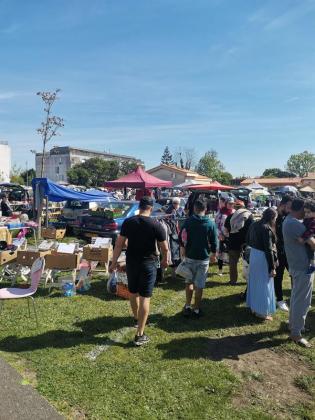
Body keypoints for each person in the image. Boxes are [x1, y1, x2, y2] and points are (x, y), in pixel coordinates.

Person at [109, 197, 169, 346]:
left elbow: (118, 245)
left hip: (132, 263)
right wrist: (165, 260)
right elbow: (165, 247)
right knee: (144, 297)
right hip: (148, 264)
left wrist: (113, 262)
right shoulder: (156, 224)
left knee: (133, 292)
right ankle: (140, 334)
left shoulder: (129, 222)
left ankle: (137, 319)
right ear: (150, 208)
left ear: (140, 207)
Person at [283, 198, 315, 348]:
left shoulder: (289, 220)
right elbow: (313, 243)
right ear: (300, 209)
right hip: (303, 266)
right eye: (306, 210)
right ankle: (296, 333)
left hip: (298, 265)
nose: (307, 213)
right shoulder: (294, 223)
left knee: (297, 297)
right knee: (303, 300)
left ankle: (294, 326)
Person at [179, 199, 217, 318]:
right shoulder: (210, 223)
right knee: (199, 285)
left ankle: (187, 306)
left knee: (189, 282)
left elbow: (181, 236)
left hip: (190, 256)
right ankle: (196, 309)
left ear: (194, 209)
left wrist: (183, 249)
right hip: (203, 258)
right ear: (205, 209)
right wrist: (214, 254)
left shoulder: (188, 221)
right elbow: (214, 241)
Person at [246, 208, 278, 321]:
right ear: (272, 218)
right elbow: (268, 249)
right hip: (262, 257)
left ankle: (254, 308)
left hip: (254, 255)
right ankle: (261, 312)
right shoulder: (266, 228)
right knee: (263, 284)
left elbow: (248, 240)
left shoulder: (254, 224)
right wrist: (272, 267)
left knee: (255, 282)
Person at [224, 200, 254, 285]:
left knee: (233, 263)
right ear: (243, 207)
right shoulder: (249, 216)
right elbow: (252, 230)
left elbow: (226, 231)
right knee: (248, 263)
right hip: (246, 242)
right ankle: (249, 280)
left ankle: (233, 281)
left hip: (233, 242)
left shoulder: (230, 217)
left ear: (235, 208)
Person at [274, 195, 292, 311]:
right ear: (282, 204)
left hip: (290, 251)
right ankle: (279, 300)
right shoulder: (274, 216)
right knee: (278, 276)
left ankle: (295, 297)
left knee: (293, 274)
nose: (290, 209)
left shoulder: (289, 216)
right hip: (278, 252)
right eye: (288, 206)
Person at [215, 197, 234, 276]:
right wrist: (220, 234)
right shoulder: (220, 212)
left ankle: (231, 269)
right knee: (221, 253)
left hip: (232, 235)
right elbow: (216, 225)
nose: (231, 205)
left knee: (231, 253)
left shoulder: (234, 212)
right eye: (229, 203)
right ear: (226, 204)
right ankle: (220, 270)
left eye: (232, 204)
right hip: (222, 235)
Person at [298, 199, 315, 274]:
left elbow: (311, 231)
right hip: (308, 239)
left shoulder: (313, 221)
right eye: (305, 212)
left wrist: (303, 237)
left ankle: (313, 265)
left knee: (310, 251)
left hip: (311, 238)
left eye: (309, 212)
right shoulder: (308, 219)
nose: (306, 214)